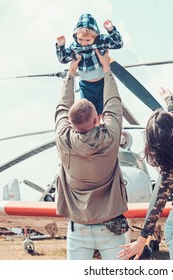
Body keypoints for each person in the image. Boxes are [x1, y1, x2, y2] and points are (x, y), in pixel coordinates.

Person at [54, 49, 128, 260]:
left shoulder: (63, 138)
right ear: (97, 120)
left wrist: (71, 74)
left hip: (79, 229)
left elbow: (61, 107)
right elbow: (113, 104)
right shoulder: (110, 138)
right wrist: (107, 68)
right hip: (111, 227)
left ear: (71, 123)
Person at [118, 88, 173, 260]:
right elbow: (157, 205)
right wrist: (142, 240)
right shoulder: (171, 169)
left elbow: (171, 116)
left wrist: (169, 100)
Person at [55, 13, 123, 115]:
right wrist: (61, 46)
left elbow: (118, 43)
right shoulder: (75, 47)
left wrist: (111, 30)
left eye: (88, 40)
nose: (84, 43)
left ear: (95, 36)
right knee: (88, 111)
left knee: (103, 108)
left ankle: (102, 126)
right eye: (80, 39)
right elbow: (63, 59)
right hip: (86, 85)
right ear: (76, 36)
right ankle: (92, 127)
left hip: (101, 83)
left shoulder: (100, 42)